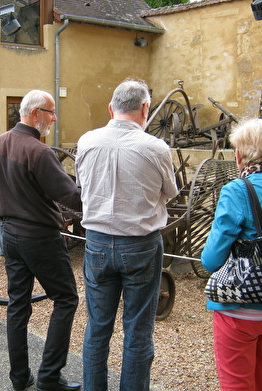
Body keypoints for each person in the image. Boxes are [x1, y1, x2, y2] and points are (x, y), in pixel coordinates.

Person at [75, 78, 178, 391]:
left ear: (111, 108)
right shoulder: (156, 148)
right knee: (137, 330)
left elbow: (83, 185)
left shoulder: (86, 141)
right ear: (145, 108)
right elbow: (169, 193)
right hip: (141, 245)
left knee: (97, 327)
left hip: (96, 243)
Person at [0, 90, 82, 391]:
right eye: (51, 112)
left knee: (18, 305)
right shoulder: (38, 152)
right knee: (66, 298)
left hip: (10, 235)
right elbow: (73, 196)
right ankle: (50, 377)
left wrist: (11, 203)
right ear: (36, 114)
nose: (54, 117)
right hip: (40, 238)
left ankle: (20, 377)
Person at [201, 118, 262, 391]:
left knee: (238, 384)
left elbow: (211, 260)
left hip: (243, 308)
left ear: (240, 155)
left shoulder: (237, 191)